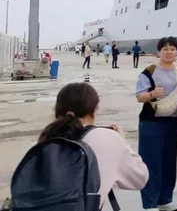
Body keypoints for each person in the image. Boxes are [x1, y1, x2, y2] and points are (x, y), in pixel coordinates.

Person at [38, 82, 149, 210]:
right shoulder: (108, 138)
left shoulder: (46, 138)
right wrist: (122, 141)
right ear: (93, 111)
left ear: (57, 111)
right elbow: (140, 178)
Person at [135, 36, 177, 211]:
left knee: (169, 162)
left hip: (173, 121)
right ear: (159, 52)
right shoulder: (149, 71)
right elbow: (139, 96)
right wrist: (152, 94)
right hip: (152, 123)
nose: (169, 52)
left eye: (173, 49)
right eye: (165, 49)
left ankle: (165, 199)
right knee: (151, 162)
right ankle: (149, 203)